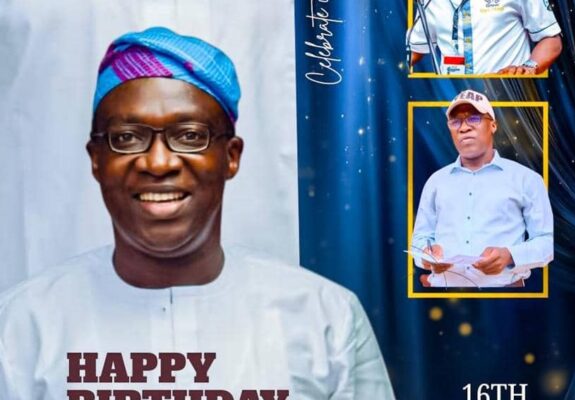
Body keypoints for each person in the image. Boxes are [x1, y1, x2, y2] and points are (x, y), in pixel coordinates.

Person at [0, 28, 395, 399]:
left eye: (189, 135)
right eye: (127, 138)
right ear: (97, 159)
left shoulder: (324, 318)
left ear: (230, 156)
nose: (158, 163)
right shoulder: (22, 327)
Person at [411, 89, 554, 288]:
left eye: (474, 118)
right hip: (443, 294)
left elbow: (546, 243)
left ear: (493, 125)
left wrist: (509, 255)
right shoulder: (436, 181)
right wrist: (427, 255)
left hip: (505, 297)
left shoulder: (527, 180)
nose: (464, 128)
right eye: (455, 121)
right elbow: (420, 238)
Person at [407, 0, 563, 75]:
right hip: (455, 98)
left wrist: (528, 68)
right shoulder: (429, 2)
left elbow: (551, 40)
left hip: (507, 97)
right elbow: (415, 50)